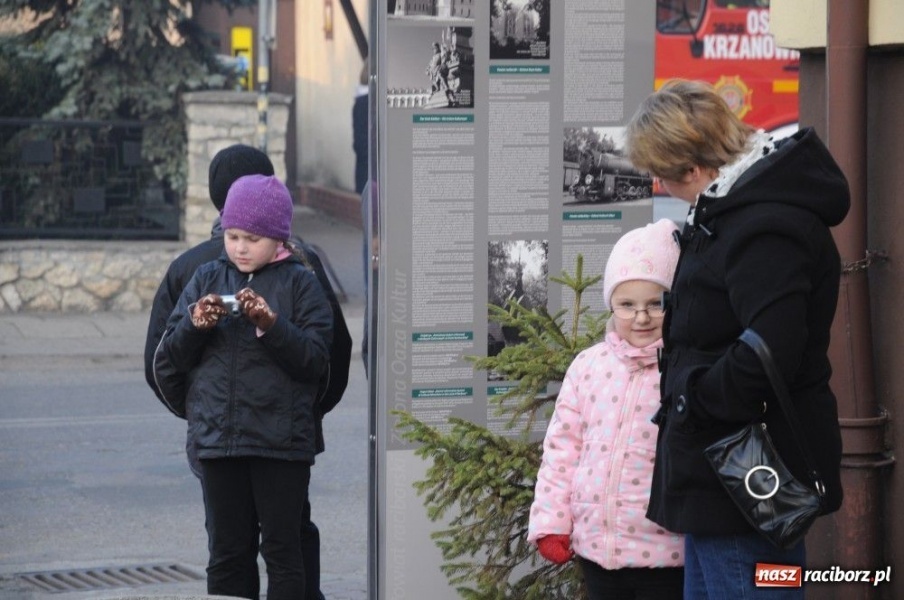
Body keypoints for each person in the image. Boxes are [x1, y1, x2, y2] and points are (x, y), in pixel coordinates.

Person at [625, 79, 848, 598]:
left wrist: (694, 399)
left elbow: (770, 349)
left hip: (749, 471)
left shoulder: (762, 223)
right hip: (721, 469)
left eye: (662, 173)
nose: (660, 183)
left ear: (694, 167)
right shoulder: (731, 207)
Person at [145, 144, 349, 600]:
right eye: (232, 236)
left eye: (250, 239)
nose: (238, 247)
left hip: (280, 446)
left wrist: (271, 326)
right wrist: (196, 329)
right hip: (219, 443)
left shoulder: (301, 280)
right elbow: (165, 361)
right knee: (227, 556)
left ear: (279, 238)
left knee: (284, 551)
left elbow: (321, 360)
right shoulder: (202, 276)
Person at [528, 219, 685, 600]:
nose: (641, 317)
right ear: (611, 304)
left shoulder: (682, 367)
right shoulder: (588, 366)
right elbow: (562, 449)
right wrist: (552, 521)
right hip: (598, 549)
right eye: (627, 305)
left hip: (666, 553)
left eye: (655, 304)